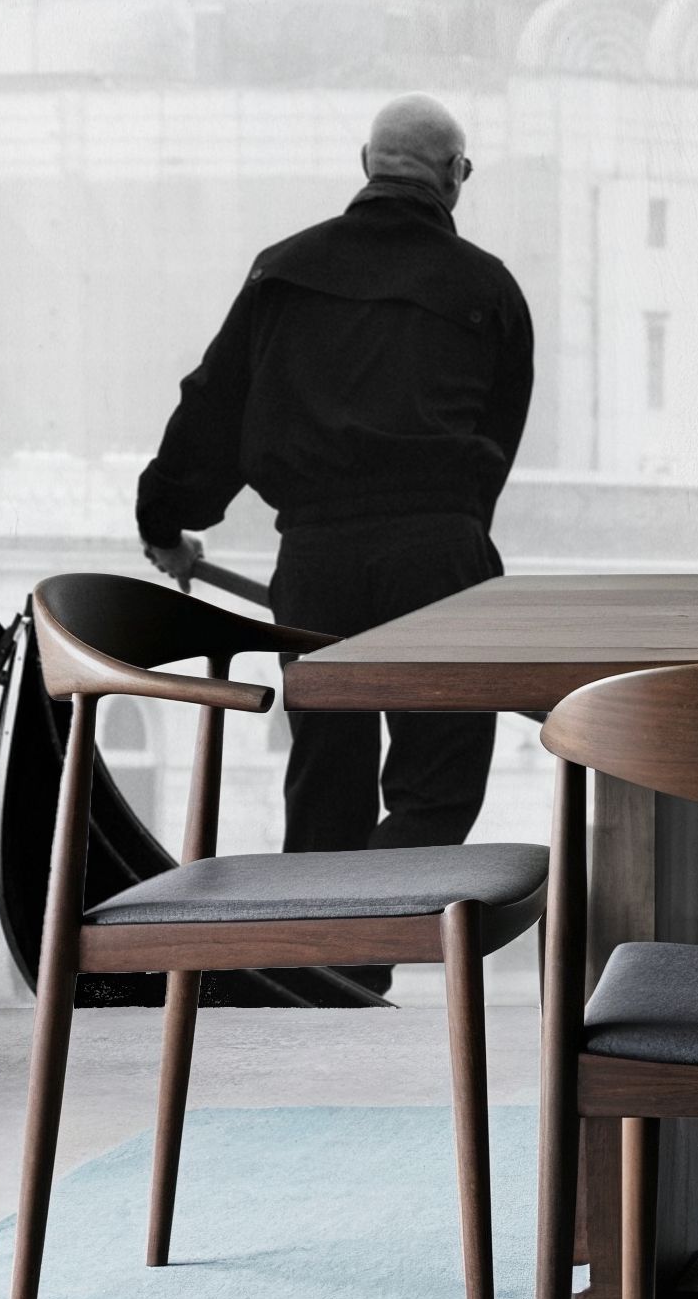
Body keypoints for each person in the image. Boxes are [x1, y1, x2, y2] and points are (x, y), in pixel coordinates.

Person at [136, 96, 533, 855]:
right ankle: (360, 959)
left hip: (317, 566)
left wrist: (166, 522)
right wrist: (453, 535)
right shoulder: (489, 289)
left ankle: (329, 970)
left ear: (365, 164)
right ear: (457, 175)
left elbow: (213, 406)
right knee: (438, 790)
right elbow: (496, 438)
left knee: (325, 790)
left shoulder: (281, 272)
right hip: (438, 559)